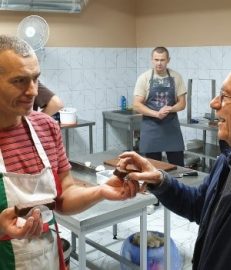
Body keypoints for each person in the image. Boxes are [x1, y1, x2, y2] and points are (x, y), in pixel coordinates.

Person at [118, 49, 231, 270]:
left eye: (225, 96)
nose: (214, 103)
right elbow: (199, 205)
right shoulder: (228, 159)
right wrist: (160, 181)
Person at [0, 35, 139, 270]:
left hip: (48, 259)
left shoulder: (47, 128)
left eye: (36, 79)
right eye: (19, 81)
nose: (33, 91)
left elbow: (63, 198)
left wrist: (101, 191)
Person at [133, 46, 187, 166]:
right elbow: (136, 105)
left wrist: (169, 109)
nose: (159, 63)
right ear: (152, 60)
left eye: (162, 60)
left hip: (171, 129)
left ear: (168, 60)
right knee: (153, 169)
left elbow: (182, 103)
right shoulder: (144, 78)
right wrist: (156, 114)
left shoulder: (176, 77)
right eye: (156, 60)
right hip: (151, 129)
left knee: (178, 167)